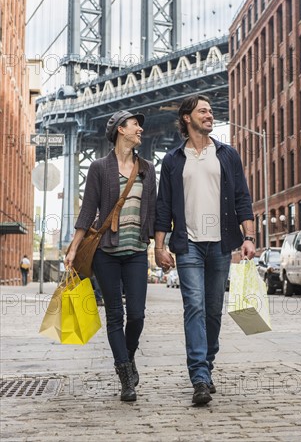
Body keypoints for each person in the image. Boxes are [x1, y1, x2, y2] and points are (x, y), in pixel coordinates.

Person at [154, 94, 255, 405]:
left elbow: (242, 198)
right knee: (194, 307)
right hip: (188, 245)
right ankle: (198, 375)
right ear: (187, 118)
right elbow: (163, 207)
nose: (210, 115)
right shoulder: (173, 160)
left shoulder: (227, 154)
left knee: (213, 311)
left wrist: (249, 236)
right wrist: (159, 246)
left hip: (222, 243)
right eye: (203, 111)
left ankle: (206, 365)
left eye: (212, 111)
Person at [65, 110, 156, 402]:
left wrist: (162, 245)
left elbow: (151, 211)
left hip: (137, 251)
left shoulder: (147, 168)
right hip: (106, 251)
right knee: (115, 315)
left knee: (138, 315)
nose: (140, 128)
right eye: (134, 124)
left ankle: (127, 358)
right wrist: (74, 246)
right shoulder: (99, 168)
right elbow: (88, 209)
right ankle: (125, 377)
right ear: (120, 130)